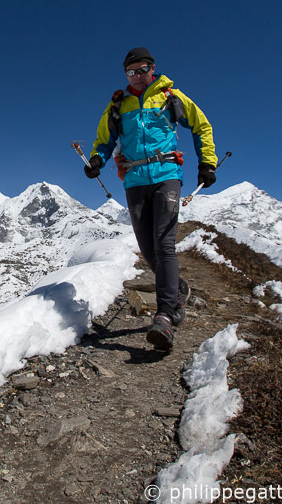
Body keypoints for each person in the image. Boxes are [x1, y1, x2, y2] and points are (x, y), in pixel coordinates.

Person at [85, 47, 217, 351]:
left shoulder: (171, 95)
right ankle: (176, 293)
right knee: (147, 247)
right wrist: (96, 160)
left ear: (152, 69)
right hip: (133, 179)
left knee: (163, 241)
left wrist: (207, 163)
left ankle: (165, 317)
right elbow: (105, 139)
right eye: (130, 72)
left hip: (167, 173)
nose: (137, 76)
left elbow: (201, 125)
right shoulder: (119, 104)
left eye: (142, 70)